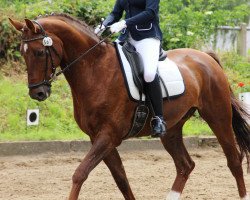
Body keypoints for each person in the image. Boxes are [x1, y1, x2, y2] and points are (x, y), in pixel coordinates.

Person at [95, 0, 166, 137]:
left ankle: (159, 118)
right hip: (126, 38)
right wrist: (103, 25)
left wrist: (125, 22)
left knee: (149, 74)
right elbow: (115, 13)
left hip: (147, 37)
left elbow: (150, 13)